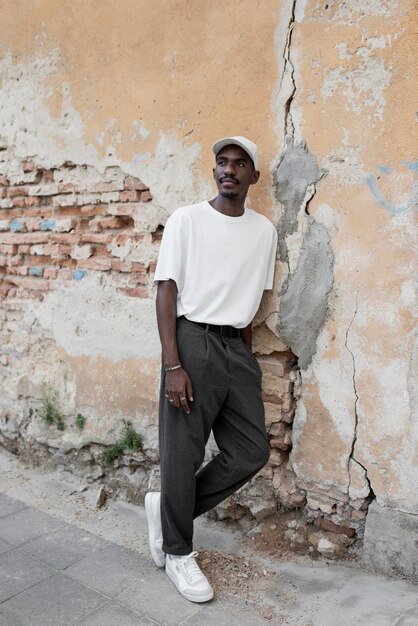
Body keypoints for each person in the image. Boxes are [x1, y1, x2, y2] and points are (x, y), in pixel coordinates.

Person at [145, 135, 278, 603]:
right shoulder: (187, 219)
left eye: (240, 164)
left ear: (253, 177)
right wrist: (173, 364)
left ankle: (167, 512)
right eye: (222, 162)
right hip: (192, 342)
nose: (229, 170)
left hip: (236, 348)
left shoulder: (264, 231)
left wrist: (246, 362)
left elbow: (251, 297)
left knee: (251, 451)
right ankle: (179, 552)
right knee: (183, 454)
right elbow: (166, 291)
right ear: (214, 171)